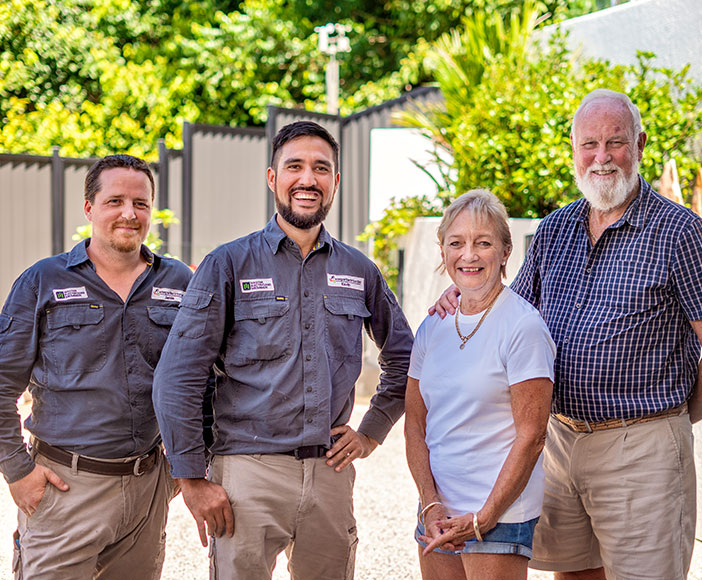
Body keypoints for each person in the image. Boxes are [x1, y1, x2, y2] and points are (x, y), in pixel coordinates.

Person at [431, 89, 702, 580]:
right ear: (574, 150)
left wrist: (666, 423)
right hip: (558, 443)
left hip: (641, 448)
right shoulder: (555, 230)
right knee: (572, 574)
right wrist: (462, 291)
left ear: (639, 144)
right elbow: (509, 311)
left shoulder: (682, 233)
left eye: (616, 142)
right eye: (589, 144)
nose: (601, 157)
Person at [152, 120, 413, 580]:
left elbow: (407, 357)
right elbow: (178, 376)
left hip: (330, 474)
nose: (307, 179)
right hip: (246, 475)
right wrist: (191, 478)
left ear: (335, 181)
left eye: (321, 168)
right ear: (272, 178)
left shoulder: (359, 270)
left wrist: (371, 432)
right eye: (294, 167)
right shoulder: (228, 264)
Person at [0, 154, 193, 579]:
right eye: (115, 201)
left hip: (148, 489)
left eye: (141, 204)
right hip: (65, 490)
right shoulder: (43, 281)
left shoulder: (179, 283)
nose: (129, 214)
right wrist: (17, 471)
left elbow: (204, 378)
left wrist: (189, 465)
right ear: (89, 208)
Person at [406, 190, 555, 580]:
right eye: (456, 243)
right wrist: (430, 505)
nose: (468, 255)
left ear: (505, 252)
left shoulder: (523, 327)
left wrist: (483, 519)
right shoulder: (432, 326)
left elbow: (532, 436)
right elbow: (415, 425)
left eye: (483, 243)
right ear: (443, 251)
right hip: (437, 515)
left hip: (498, 518)